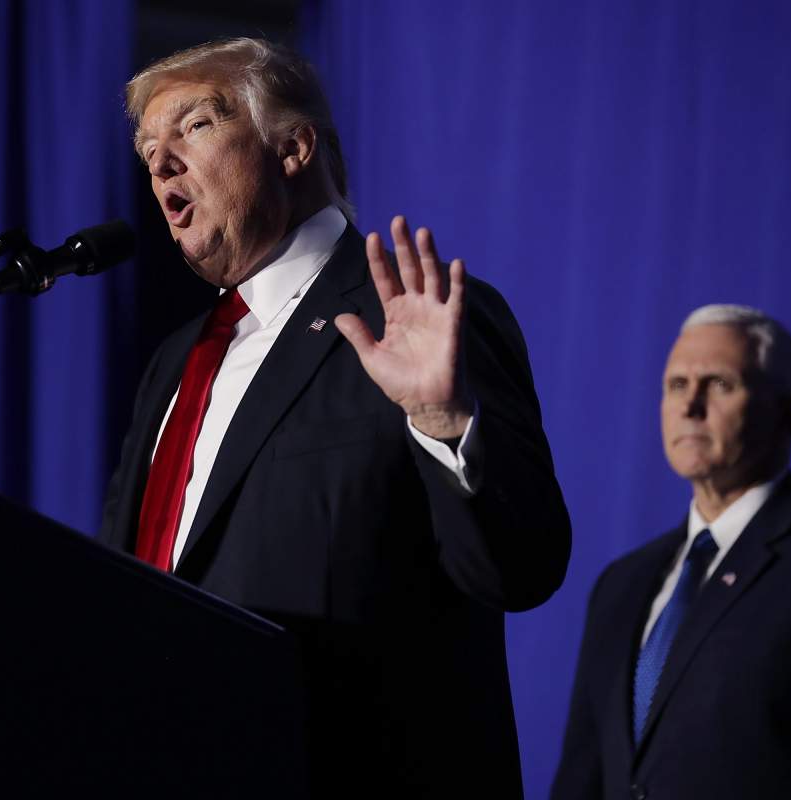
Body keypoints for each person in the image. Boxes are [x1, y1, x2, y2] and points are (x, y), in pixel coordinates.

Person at [99, 37, 571, 796]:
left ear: (293, 148)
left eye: (195, 126)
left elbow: (524, 565)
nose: (160, 167)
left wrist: (444, 420)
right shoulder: (175, 362)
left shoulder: (414, 318)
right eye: (149, 150)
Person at [552, 305, 791, 799]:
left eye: (720, 384)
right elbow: (584, 776)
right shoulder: (621, 584)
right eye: (677, 385)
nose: (690, 406)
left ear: (789, 414)